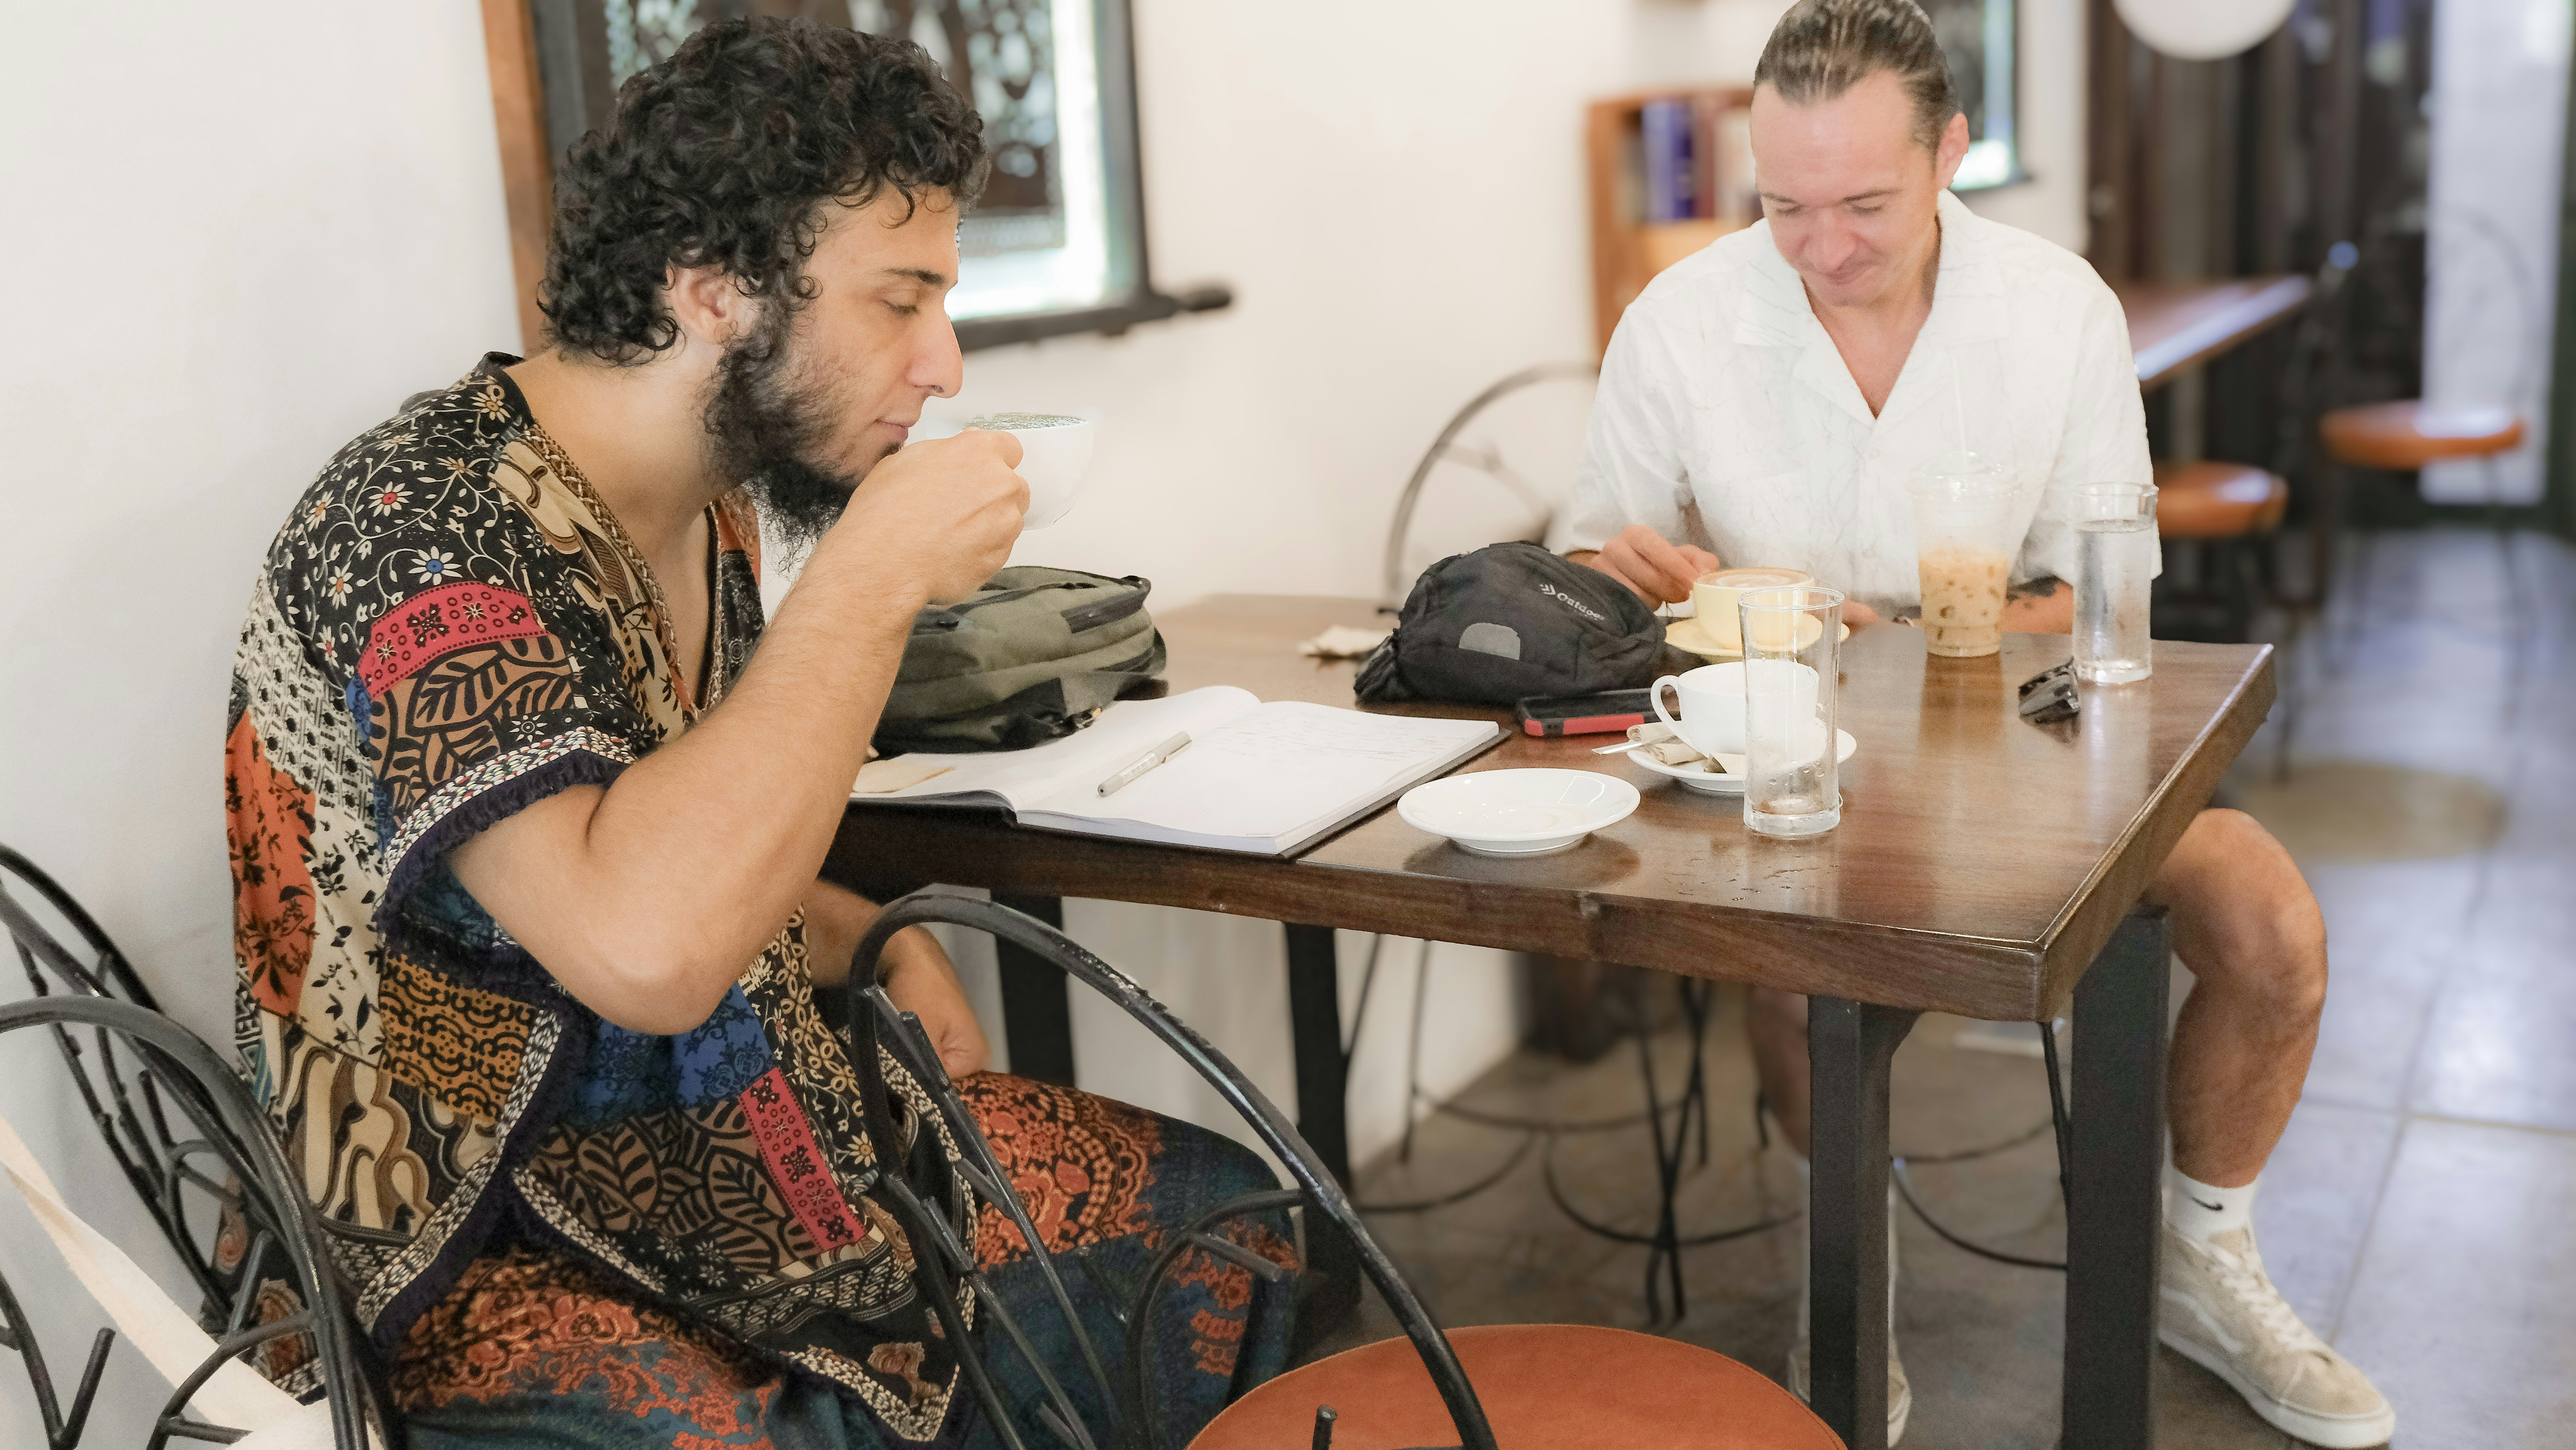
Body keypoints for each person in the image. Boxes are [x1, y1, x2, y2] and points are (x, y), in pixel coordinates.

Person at [223, 19, 1290, 1448]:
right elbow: (646, 948)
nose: (947, 364)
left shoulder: (709, 507)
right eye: (900, 300)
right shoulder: (422, 526)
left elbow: (683, 832)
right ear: (711, 286)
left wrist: (874, 935)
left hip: (700, 1141)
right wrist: (871, 573)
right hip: (464, 1229)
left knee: (1216, 1226)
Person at [1554, 3, 2394, 1446]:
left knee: (2272, 929)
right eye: (1784, 206)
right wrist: (1622, 578)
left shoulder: (2055, 306)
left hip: (2036, 747)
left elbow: (2106, 588)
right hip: (1791, 768)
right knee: (1792, 960)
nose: (1821, 248)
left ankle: (2204, 1258)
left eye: (1865, 204)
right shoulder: (1683, 323)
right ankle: (1851, 1286)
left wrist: (1933, 631)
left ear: (1950, 151)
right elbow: (1584, 566)